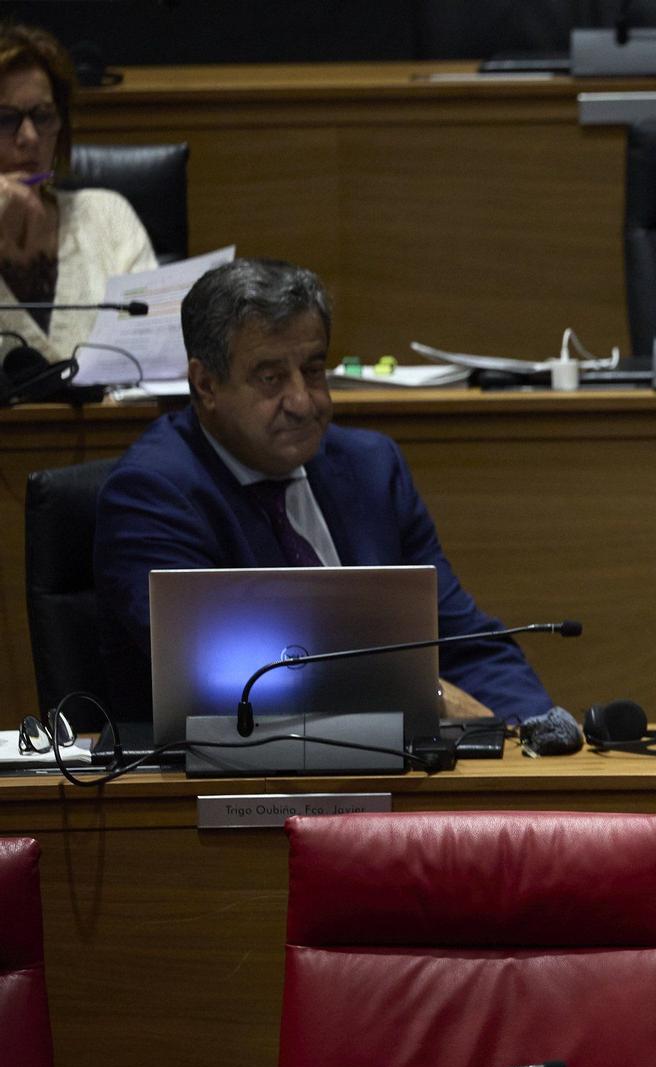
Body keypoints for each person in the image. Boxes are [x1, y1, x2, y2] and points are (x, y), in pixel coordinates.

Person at [93, 258, 555, 727]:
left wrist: (537, 730)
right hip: (240, 786)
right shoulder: (152, 496)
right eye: (271, 378)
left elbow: (461, 639)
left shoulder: (371, 468)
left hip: (399, 769)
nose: (303, 402)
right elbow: (229, 677)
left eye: (313, 371)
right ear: (206, 384)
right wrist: (429, 694)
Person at [0, 21, 155, 362]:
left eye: (43, 116)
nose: (29, 137)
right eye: (5, 119)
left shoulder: (107, 216)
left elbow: (154, 351)